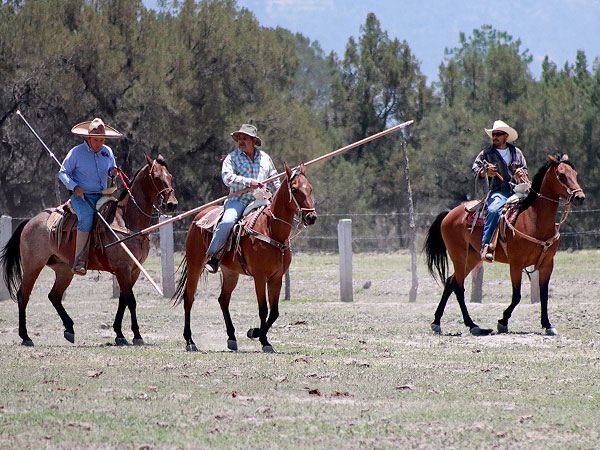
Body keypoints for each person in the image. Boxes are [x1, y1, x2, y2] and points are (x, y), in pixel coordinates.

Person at [204, 124, 280, 273]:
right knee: (227, 222)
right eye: (239, 138)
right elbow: (227, 178)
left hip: (262, 200)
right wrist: (248, 182)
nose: (241, 141)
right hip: (239, 200)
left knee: (279, 221)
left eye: (244, 138)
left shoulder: (265, 158)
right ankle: (214, 257)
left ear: (253, 140)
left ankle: (281, 254)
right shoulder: (231, 158)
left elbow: (275, 180)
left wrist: (279, 195)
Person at [59, 118, 122, 275]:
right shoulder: (76, 152)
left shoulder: (107, 151)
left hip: (103, 195)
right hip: (81, 197)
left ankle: (114, 255)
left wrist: (112, 173)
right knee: (86, 218)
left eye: (102, 140)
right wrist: (74, 187)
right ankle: (79, 260)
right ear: (88, 138)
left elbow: (110, 170)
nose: (99, 144)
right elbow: (63, 173)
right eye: (96, 140)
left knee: (117, 215)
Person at [472, 120, 528, 262]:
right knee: (493, 210)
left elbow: (525, 172)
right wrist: (485, 172)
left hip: (518, 191)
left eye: (498, 134)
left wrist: (521, 175)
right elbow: (475, 170)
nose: (495, 137)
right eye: (493, 134)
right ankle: (486, 247)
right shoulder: (486, 154)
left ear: (506, 136)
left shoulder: (517, 153)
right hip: (498, 192)